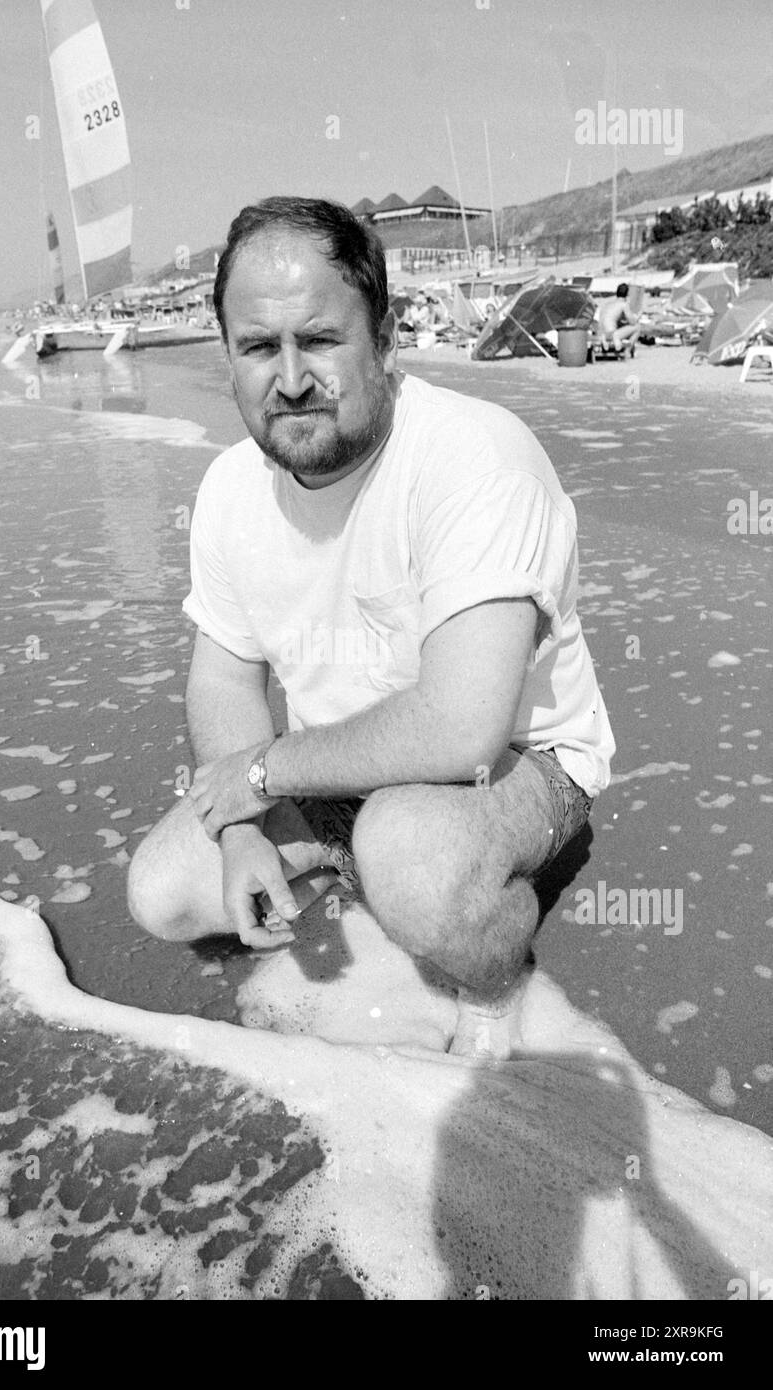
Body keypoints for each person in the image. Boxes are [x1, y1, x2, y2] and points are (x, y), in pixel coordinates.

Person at [127, 196, 615, 1059]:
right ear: (227, 357)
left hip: (519, 764)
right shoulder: (230, 490)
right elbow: (224, 676)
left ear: (383, 339)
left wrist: (266, 773)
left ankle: (497, 985)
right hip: (337, 768)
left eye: (318, 340)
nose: (289, 378)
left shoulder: (473, 457)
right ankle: (350, 868)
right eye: (257, 347)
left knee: (411, 857)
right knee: (163, 893)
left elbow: (464, 729)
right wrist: (241, 831)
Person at [596, 282, 641, 350]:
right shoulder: (623, 304)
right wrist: (638, 316)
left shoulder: (609, 304)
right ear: (627, 294)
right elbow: (633, 322)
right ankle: (628, 350)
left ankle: (605, 339)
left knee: (617, 326)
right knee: (638, 327)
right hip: (612, 334)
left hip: (601, 333)